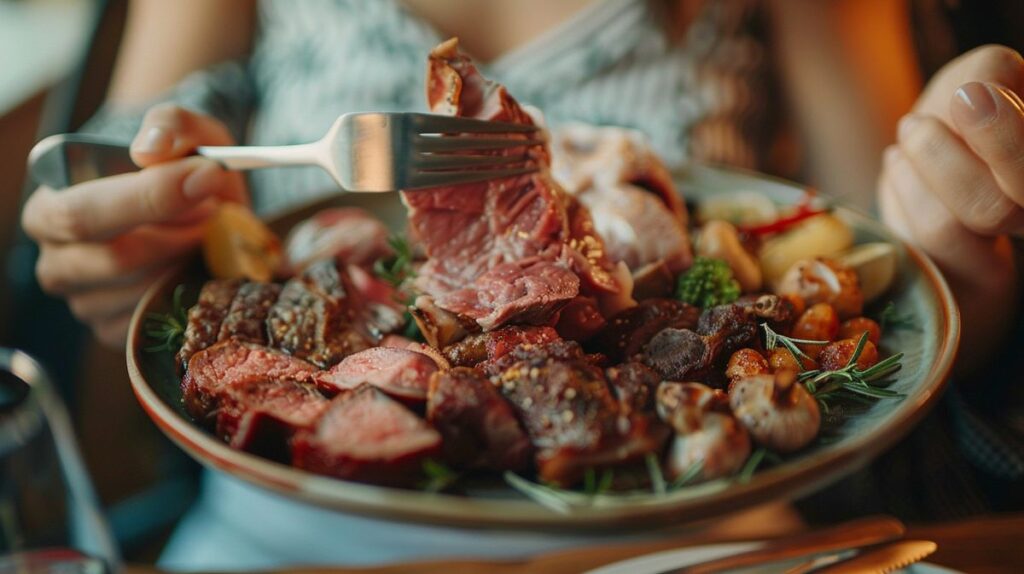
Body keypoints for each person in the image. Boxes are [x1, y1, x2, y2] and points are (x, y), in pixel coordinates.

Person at [18, 0, 1024, 568]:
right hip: (292, 538)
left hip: (696, 538)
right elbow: (119, 166)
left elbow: (899, 304)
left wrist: (962, 226)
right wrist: (118, 224)